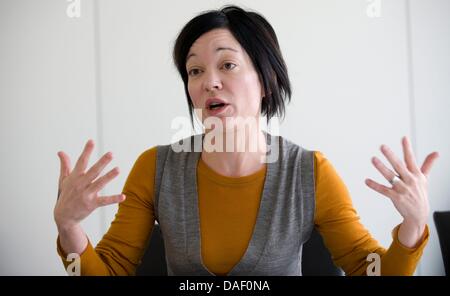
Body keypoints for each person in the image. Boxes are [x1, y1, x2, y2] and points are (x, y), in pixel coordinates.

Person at [54, 5, 439, 276]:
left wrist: (413, 225)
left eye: (227, 64)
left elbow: (368, 271)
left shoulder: (309, 172)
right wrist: (69, 227)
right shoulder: (156, 168)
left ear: (266, 80)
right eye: (194, 70)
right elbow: (105, 272)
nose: (208, 82)